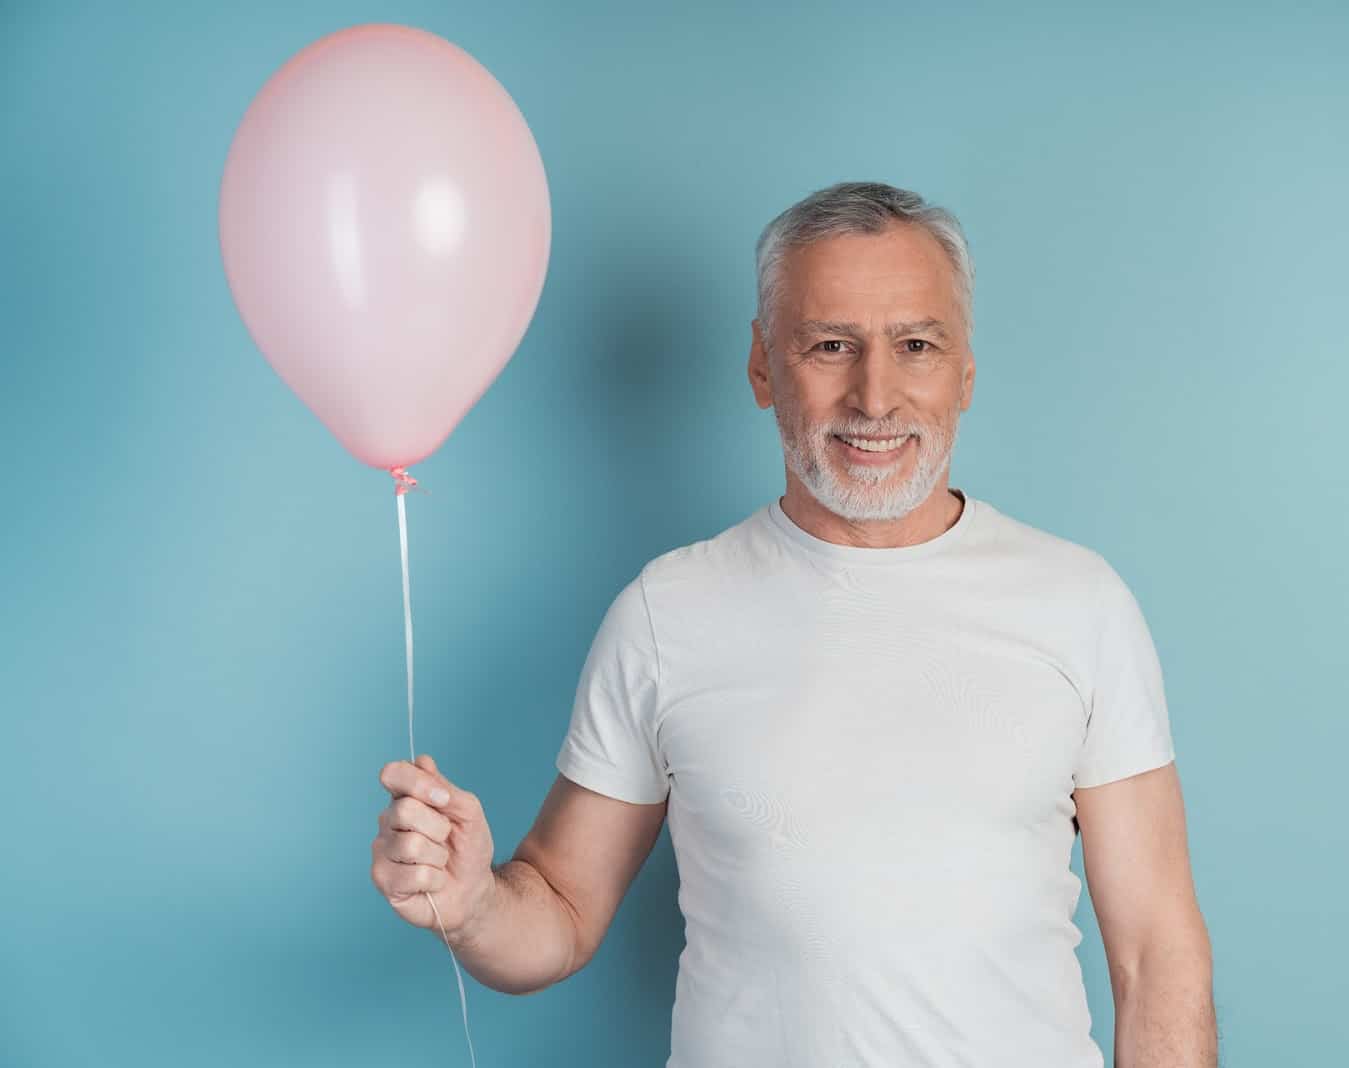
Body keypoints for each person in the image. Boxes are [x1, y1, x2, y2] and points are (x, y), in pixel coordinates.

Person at [371, 181, 1217, 1066]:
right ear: (763, 366)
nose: (875, 396)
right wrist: (469, 905)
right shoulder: (667, 614)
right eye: (830, 346)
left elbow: (1156, 953)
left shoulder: (1079, 604)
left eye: (916, 345)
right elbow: (561, 910)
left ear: (965, 370)